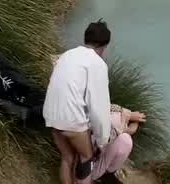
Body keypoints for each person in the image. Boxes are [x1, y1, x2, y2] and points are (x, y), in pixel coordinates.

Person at [43, 21, 144, 184]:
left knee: (67, 158)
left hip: (51, 113)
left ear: (86, 39)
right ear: (105, 46)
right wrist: (103, 138)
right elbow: (98, 106)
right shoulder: (98, 64)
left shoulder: (67, 55)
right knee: (86, 157)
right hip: (71, 119)